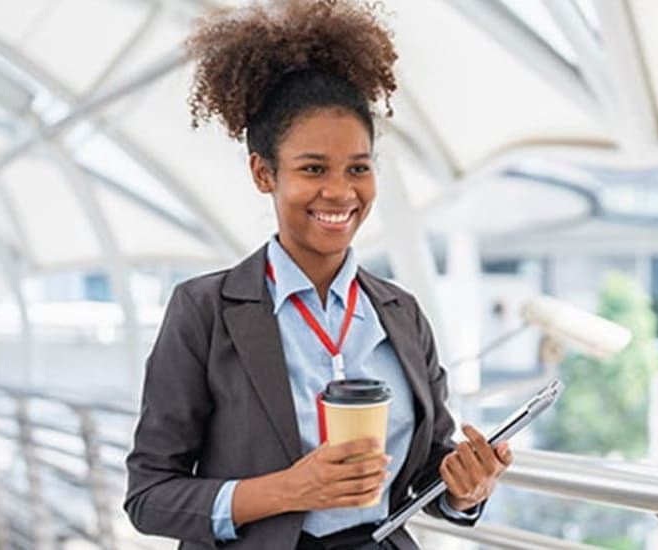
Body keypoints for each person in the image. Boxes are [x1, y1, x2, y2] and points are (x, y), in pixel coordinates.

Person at [123, 1, 511, 548]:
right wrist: (288, 490)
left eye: (358, 167)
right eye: (312, 169)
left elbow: (426, 468)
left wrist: (464, 489)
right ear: (264, 172)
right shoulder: (204, 311)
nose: (340, 192)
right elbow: (149, 497)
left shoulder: (399, 313)